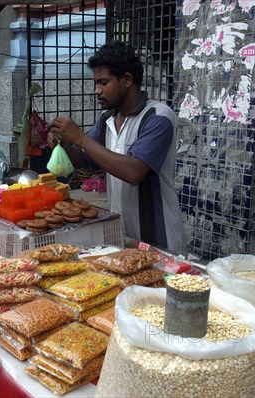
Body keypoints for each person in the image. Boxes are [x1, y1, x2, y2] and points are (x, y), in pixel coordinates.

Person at [48, 41, 183, 251]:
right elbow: (85, 160)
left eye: (103, 82)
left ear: (127, 80)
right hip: (122, 235)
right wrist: (65, 143)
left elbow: (133, 171)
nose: (97, 91)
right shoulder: (107, 119)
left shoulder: (158, 117)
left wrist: (81, 138)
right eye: (96, 83)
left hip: (158, 238)